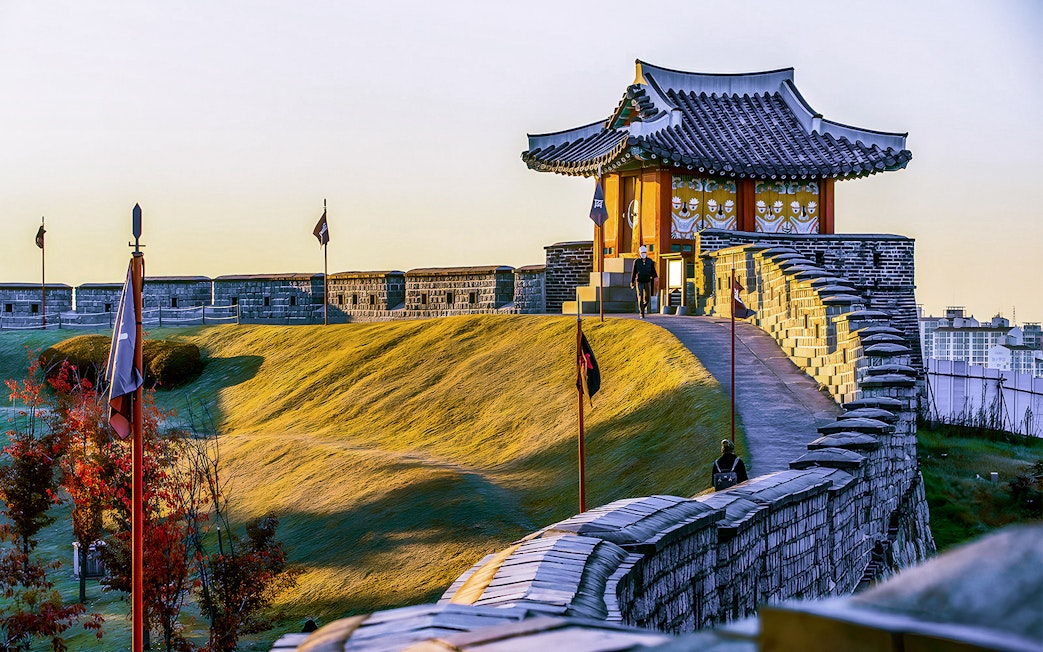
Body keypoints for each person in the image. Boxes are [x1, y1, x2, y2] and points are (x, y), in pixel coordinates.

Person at [630, 245, 658, 318]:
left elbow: (653, 271)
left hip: (647, 281)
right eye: (642, 252)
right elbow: (633, 272)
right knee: (640, 295)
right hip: (639, 281)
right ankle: (641, 312)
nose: (643, 254)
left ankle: (643, 306)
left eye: (644, 252)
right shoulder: (637, 261)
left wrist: (656, 277)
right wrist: (632, 282)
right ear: (640, 253)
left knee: (647, 298)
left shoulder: (649, 261)